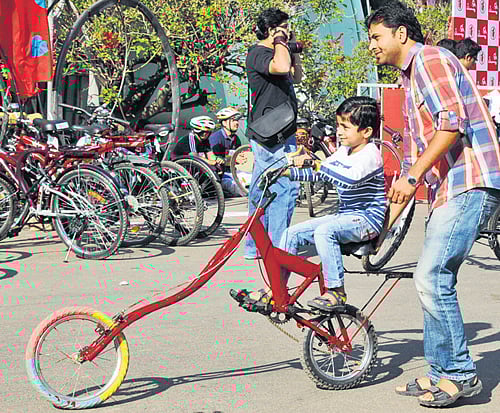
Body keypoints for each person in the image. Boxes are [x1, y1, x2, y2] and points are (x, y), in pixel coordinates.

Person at [366, 1, 500, 408]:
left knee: (432, 276)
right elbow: (410, 167)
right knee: (432, 281)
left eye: (376, 37)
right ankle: (440, 373)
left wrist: (410, 178)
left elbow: (451, 125)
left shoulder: (430, 59)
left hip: (471, 181)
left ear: (400, 34)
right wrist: (378, 234)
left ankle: (460, 374)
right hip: (448, 188)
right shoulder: (410, 82)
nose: (371, 45)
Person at [277, 96, 385, 309]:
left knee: (324, 231)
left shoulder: (371, 155)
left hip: (366, 219)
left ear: (367, 132)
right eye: (338, 125)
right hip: (345, 216)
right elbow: (323, 173)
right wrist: (287, 173)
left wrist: (316, 164)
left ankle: (336, 291)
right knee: (290, 234)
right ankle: (278, 289)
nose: (339, 131)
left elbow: (350, 178)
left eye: (346, 127)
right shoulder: (344, 151)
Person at [244, 7, 303, 260]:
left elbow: (296, 76)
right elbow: (280, 66)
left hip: (280, 133)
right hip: (272, 136)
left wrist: (294, 51)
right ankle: (278, 248)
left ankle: (255, 246)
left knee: (261, 191)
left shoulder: (280, 51)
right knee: (284, 187)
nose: (288, 32)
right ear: (271, 30)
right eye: (284, 28)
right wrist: (281, 41)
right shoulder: (258, 53)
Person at [209, 107, 245, 196]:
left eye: (237, 120)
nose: (236, 123)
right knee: (240, 188)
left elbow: (236, 157)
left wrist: (240, 159)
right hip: (221, 176)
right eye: (233, 120)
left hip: (234, 172)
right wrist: (233, 159)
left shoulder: (236, 139)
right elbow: (215, 162)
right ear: (224, 123)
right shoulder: (216, 138)